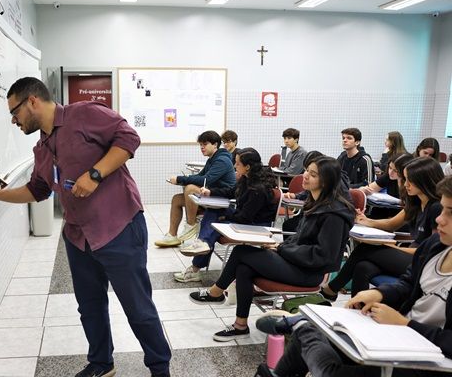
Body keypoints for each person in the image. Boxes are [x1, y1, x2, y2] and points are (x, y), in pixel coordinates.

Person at [0, 77, 171, 377]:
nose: (13, 120)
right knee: (90, 306)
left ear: (32, 101)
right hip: (79, 237)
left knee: (137, 308)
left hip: (118, 227)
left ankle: (160, 368)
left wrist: (95, 174)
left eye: (14, 112)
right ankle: (101, 363)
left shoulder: (85, 114)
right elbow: (37, 190)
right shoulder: (42, 148)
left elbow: (129, 138)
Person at [255, 174, 452, 377]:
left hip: (429, 356)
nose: (439, 219)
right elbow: (407, 284)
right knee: (326, 329)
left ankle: (303, 326)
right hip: (400, 337)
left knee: (328, 367)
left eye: (450, 213)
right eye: (442, 209)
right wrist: (380, 295)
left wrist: (404, 323)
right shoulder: (435, 247)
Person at [187, 156, 355, 342]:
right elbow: (300, 240)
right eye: (307, 170)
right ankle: (240, 325)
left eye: (312, 174)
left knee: (243, 251)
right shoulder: (316, 203)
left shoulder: (333, 214)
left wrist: (282, 249)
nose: (305, 176)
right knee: (244, 267)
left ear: (327, 181)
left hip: (310, 272)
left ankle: (216, 292)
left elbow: (323, 256)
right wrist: (279, 246)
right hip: (297, 261)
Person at [323, 156, 444, 298]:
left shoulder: (437, 208)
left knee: (364, 248)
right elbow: (391, 224)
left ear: (424, 181)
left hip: (423, 262)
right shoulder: (416, 202)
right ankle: (357, 309)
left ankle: (330, 289)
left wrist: (393, 247)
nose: (405, 184)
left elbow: (433, 251)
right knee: (363, 267)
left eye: (410, 180)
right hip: (410, 255)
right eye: (405, 179)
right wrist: (365, 220)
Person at [173, 148, 277, 282]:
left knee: (214, 226)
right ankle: (202, 243)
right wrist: (210, 192)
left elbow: (244, 218)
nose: (234, 166)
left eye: (238, 164)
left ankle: (196, 264)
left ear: (247, 167)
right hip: (244, 216)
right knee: (213, 210)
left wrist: (224, 218)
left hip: (255, 224)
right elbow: (231, 192)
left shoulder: (258, 189)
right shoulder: (247, 178)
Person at [155, 131, 236, 247]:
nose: (202, 147)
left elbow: (205, 180)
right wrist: (183, 179)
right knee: (177, 199)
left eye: (205, 144)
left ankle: (191, 224)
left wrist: (180, 179)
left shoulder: (222, 160)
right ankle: (172, 236)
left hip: (223, 198)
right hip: (212, 195)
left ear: (215, 144)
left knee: (190, 188)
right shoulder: (212, 159)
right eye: (200, 145)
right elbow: (200, 176)